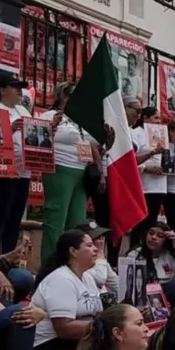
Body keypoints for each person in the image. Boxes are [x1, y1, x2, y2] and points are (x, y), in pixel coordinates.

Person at [40, 82, 101, 258]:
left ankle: (72, 261)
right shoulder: (49, 115)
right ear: (63, 96)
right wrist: (51, 127)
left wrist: (106, 143)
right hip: (59, 168)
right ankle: (50, 261)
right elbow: (37, 140)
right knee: (56, 218)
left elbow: (94, 147)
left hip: (81, 171)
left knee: (77, 221)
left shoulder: (81, 121)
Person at [31, 229, 104, 350]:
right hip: (46, 348)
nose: (96, 249)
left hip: (74, 342)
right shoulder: (61, 279)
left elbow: (98, 315)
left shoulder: (88, 277)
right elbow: (64, 329)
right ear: (73, 251)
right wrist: (107, 326)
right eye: (89, 245)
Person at [0, 73, 33, 254]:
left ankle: (10, 255)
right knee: (0, 214)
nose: (20, 91)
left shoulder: (24, 111)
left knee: (15, 217)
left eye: (21, 87)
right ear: (3, 89)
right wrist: (9, 128)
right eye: (15, 87)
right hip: (4, 169)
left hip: (24, 171)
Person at [124, 221, 175, 302]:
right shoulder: (134, 254)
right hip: (139, 299)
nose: (153, 237)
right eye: (151, 233)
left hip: (162, 303)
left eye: (160, 236)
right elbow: (125, 285)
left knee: (174, 285)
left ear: (165, 241)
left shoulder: (167, 256)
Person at [129, 99, 167, 247]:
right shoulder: (136, 133)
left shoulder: (162, 135)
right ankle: (133, 250)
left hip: (159, 185)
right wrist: (145, 168)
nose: (158, 121)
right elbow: (130, 158)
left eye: (160, 118)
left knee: (151, 224)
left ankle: (146, 252)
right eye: (155, 117)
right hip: (143, 185)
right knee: (139, 222)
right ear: (145, 118)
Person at [77, 221, 120, 297]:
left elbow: (117, 286)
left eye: (101, 238)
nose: (100, 243)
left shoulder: (100, 261)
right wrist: (100, 252)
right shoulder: (78, 262)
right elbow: (100, 280)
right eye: (94, 240)